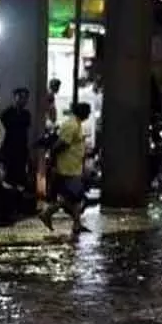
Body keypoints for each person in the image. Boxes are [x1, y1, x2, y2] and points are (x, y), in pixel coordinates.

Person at [39, 102, 92, 242]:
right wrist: (53, 159)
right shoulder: (72, 125)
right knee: (75, 197)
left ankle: (76, 224)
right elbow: (61, 144)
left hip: (73, 167)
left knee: (74, 198)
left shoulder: (77, 124)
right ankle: (48, 213)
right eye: (87, 111)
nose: (89, 114)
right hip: (68, 168)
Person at [0, 87, 32, 191]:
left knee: (21, 180)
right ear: (15, 97)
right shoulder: (7, 114)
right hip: (9, 151)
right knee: (8, 180)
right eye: (21, 97)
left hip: (21, 151)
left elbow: (25, 133)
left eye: (25, 98)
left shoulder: (27, 115)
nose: (23, 100)